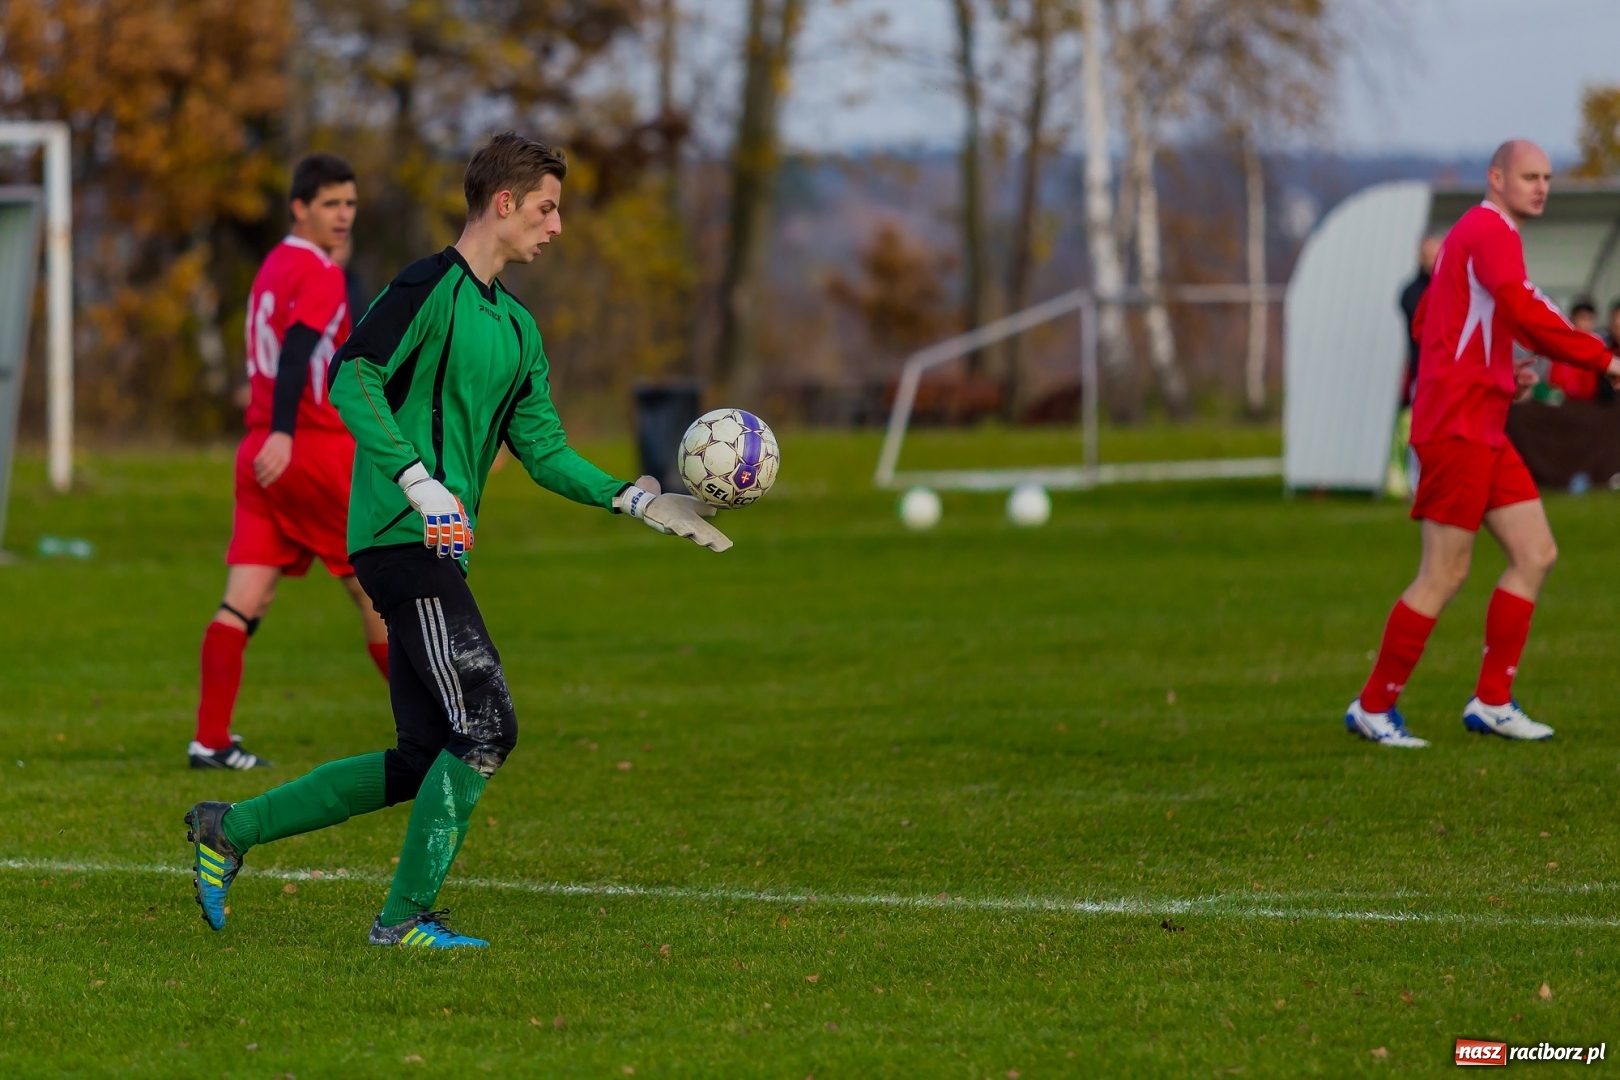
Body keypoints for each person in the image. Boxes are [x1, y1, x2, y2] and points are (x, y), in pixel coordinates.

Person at [186, 132, 731, 948]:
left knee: (423, 754)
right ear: (503, 203)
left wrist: (636, 500)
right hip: (397, 539)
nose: (557, 226)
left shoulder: (518, 328)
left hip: (438, 552)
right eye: (547, 208)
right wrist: (418, 480)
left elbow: (543, 450)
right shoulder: (424, 286)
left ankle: (228, 828)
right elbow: (349, 377)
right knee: (487, 725)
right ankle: (403, 920)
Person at [1345, 139, 1620, 747]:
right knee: (1444, 573)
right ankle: (1372, 707)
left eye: (1547, 177)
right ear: (1496, 178)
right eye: (1529, 176)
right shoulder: (1491, 231)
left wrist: (1494, 369)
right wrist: (1603, 359)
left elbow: (1432, 322)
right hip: (1458, 429)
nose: (1541, 187)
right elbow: (1524, 310)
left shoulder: (1471, 235)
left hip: (1482, 425)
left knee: (1535, 553)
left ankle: (1493, 701)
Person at [189, 154, 388, 771]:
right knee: (377, 588)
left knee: (246, 598)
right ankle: (439, 728)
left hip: (258, 453)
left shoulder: (274, 265)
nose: (343, 215)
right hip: (310, 449)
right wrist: (284, 431)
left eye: (350, 204)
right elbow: (299, 352)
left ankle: (210, 740)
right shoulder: (321, 271)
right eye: (331, 204)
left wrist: (271, 433)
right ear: (300, 207)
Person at [1389, 236, 1444, 497]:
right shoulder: (1412, 292)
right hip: (1423, 372)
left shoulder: (1453, 286)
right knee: (1421, 430)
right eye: (1428, 256)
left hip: (1451, 374)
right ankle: (1417, 484)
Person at [1546, 298, 1602, 401]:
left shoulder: (1598, 350)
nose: (1585, 323)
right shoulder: (1558, 347)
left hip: (1587, 404)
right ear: (1572, 319)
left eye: (1589, 319)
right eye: (1582, 318)